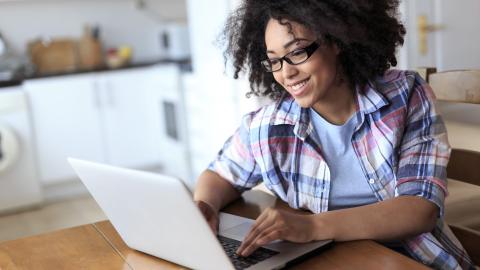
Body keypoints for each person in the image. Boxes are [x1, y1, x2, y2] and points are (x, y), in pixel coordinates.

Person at [193, 0, 474, 269]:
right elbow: (219, 175)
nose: (286, 72)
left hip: (414, 261)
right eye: (275, 60)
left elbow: (420, 209)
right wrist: (204, 206)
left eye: (298, 51)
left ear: (336, 39)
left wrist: (312, 226)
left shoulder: (406, 96)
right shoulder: (270, 125)